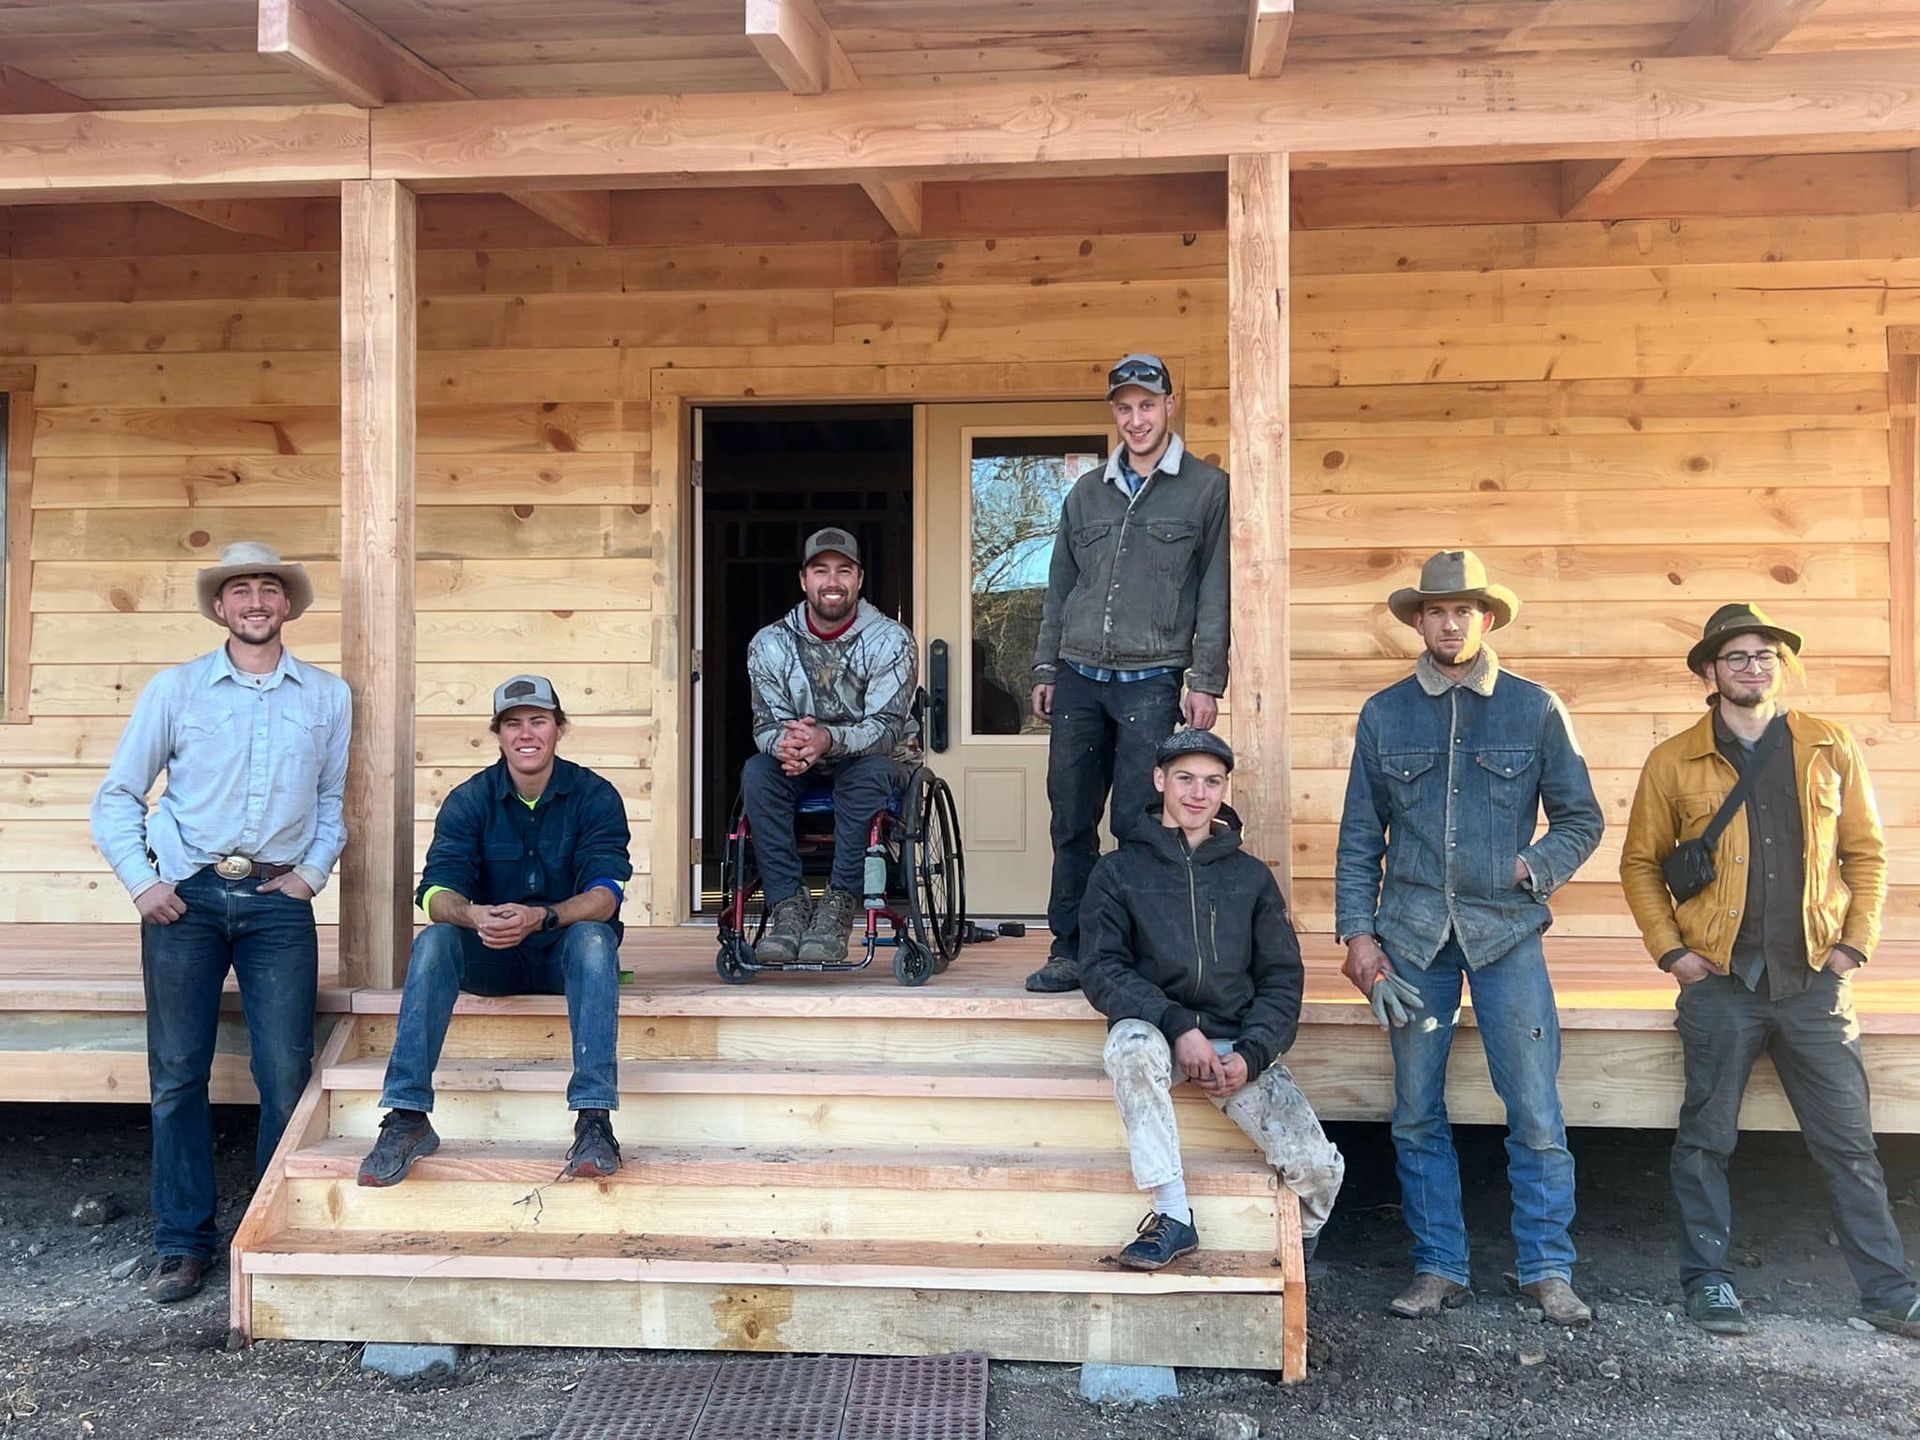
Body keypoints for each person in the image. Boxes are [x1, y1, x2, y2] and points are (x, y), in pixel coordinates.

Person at [1620, 604, 1918, 1340]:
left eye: (1765, 656)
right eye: (1737, 657)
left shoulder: (1829, 746)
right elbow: (1640, 864)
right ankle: (1708, 1283)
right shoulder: (1673, 761)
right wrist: (1673, 954)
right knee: (1705, 1141)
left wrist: (1854, 947)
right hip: (1720, 981)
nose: (1753, 667)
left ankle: (1889, 1292)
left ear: (1780, 667)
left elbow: (1868, 854)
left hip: (1815, 978)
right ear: (1709, 670)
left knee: (1849, 1143)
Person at [1334, 550, 1604, 1324]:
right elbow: (1359, 838)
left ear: (1486, 619)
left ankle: (1547, 1268)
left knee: (1536, 1109)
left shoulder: (1535, 708)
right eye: (1436, 611)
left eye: (1463, 610)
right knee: (1415, 1112)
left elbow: (1582, 819)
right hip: (1412, 940)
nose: (1449, 623)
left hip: (1505, 935)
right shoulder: (1384, 714)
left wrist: (1531, 866)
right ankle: (1439, 1266)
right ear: (1418, 622)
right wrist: (1358, 936)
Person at [91, 541, 351, 1304]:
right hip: (187, 897)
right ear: (219, 607)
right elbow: (119, 794)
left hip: (278, 901)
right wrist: (142, 881)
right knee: (178, 1074)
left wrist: (312, 873)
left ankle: (269, 1234)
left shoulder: (328, 696)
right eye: (241, 590)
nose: (256, 602)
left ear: (288, 604)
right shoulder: (175, 690)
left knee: (286, 1073)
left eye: (269, 588)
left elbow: (332, 800)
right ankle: (183, 1243)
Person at [1082, 729, 1344, 1270]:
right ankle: (1173, 1215)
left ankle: (1297, 1242)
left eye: (1211, 781)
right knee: (1129, 1047)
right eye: (1185, 779)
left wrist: (1252, 1053)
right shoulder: (1118, 871)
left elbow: (1282, 979)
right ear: (1160, 781)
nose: (1197, 793)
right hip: (1159, 1032)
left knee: (1320, 1170)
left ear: (1225, 789)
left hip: (1236, 1042)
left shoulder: (1251, 878)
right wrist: (1178, 1026)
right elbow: (1103, 968)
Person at [356, 675, 633, 1187]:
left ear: (559, 728)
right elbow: (435, 891)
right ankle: (407, 1117)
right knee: (434, 940)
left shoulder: (595, 796)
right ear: (498, 734)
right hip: (491, 956)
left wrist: (542, 917)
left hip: (563, 957)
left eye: (538, 721)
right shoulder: (469, 799)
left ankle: (594, 1121)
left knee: (595, 939)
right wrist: (474, 916)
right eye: (512, 723)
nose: (526, 734)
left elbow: (606, 894)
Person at [1026, 353, 1230, 994]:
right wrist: (1046, 665)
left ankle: (1134, 953)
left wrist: (1206, 679)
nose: (1136, 419)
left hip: (1154, 678)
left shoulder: (1206, 489)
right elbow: (1060, 589)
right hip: (1079, 676)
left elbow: (1216, 591)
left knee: (1140, 820)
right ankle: (1070, 948)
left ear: (1170, 406)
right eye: (1124, 408)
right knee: (1071, 817)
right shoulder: (1086, 493)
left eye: (1147, 405)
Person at [741, 527, 920, 965]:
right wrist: (789, 745)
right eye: (821, 571)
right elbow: (766, 724)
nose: (832, 581)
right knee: (757, 772)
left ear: (859, 579)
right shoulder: (769, 644)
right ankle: (787, 906)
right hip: (804, 760)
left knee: (866, 775)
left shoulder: (891, 640)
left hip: (877, 758)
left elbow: (886, 729)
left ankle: (839, 905)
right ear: (804, 580)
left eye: (844, 570)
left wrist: (828, 740)